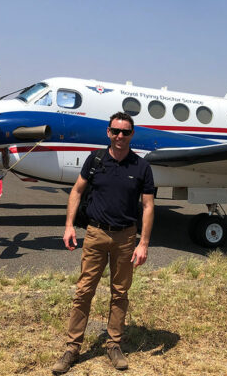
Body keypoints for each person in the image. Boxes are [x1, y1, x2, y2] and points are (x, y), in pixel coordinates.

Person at [52, 112, 155, 374]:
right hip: (96, 234)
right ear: (108, 133)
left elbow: (148, 205)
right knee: (84, 290)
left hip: (125, 237)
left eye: (126, 132)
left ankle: (114, 344)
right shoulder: (95, 160)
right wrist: (68, 226)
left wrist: (143, 243)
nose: (120, 136)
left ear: (132, 135)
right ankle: (72, 347)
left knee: (120, 293)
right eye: (116, 131)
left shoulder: (142, 167)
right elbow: (76, 191)